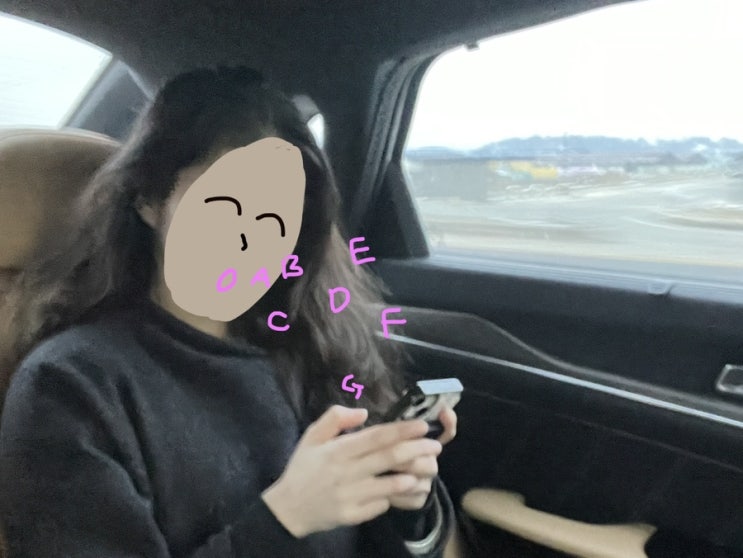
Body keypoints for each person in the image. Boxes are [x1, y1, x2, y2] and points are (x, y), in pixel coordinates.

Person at [0, 66, 458, 557]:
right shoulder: (70, 386)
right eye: (224, 207)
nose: (249, 241)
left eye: (274, 219)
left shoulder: (311, 348)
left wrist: (405, 503)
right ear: (149, 199)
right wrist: (286, 519)